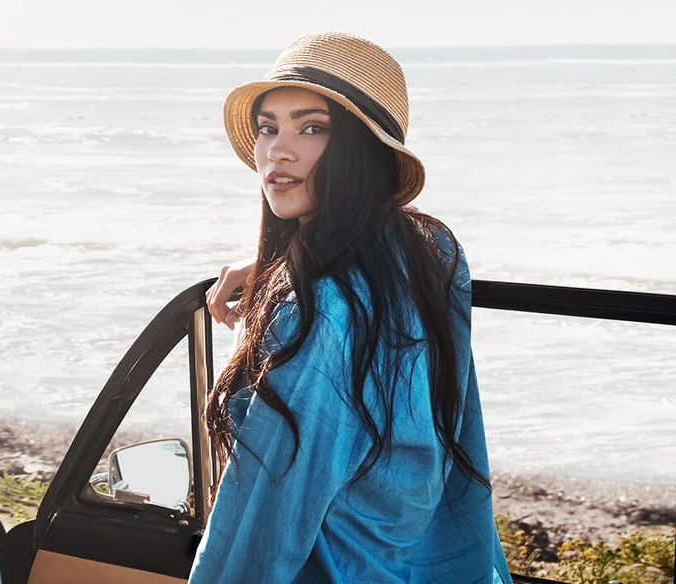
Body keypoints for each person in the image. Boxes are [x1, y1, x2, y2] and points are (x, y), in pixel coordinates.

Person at [189, 32, 513, 584]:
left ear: (363, 150)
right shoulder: (435, 256)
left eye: (313, 128)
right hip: (429, 562)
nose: (278, 150)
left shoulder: (317, 317)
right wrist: (273, 265)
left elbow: (259, 524)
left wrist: (291, 284)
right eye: (269, 127)